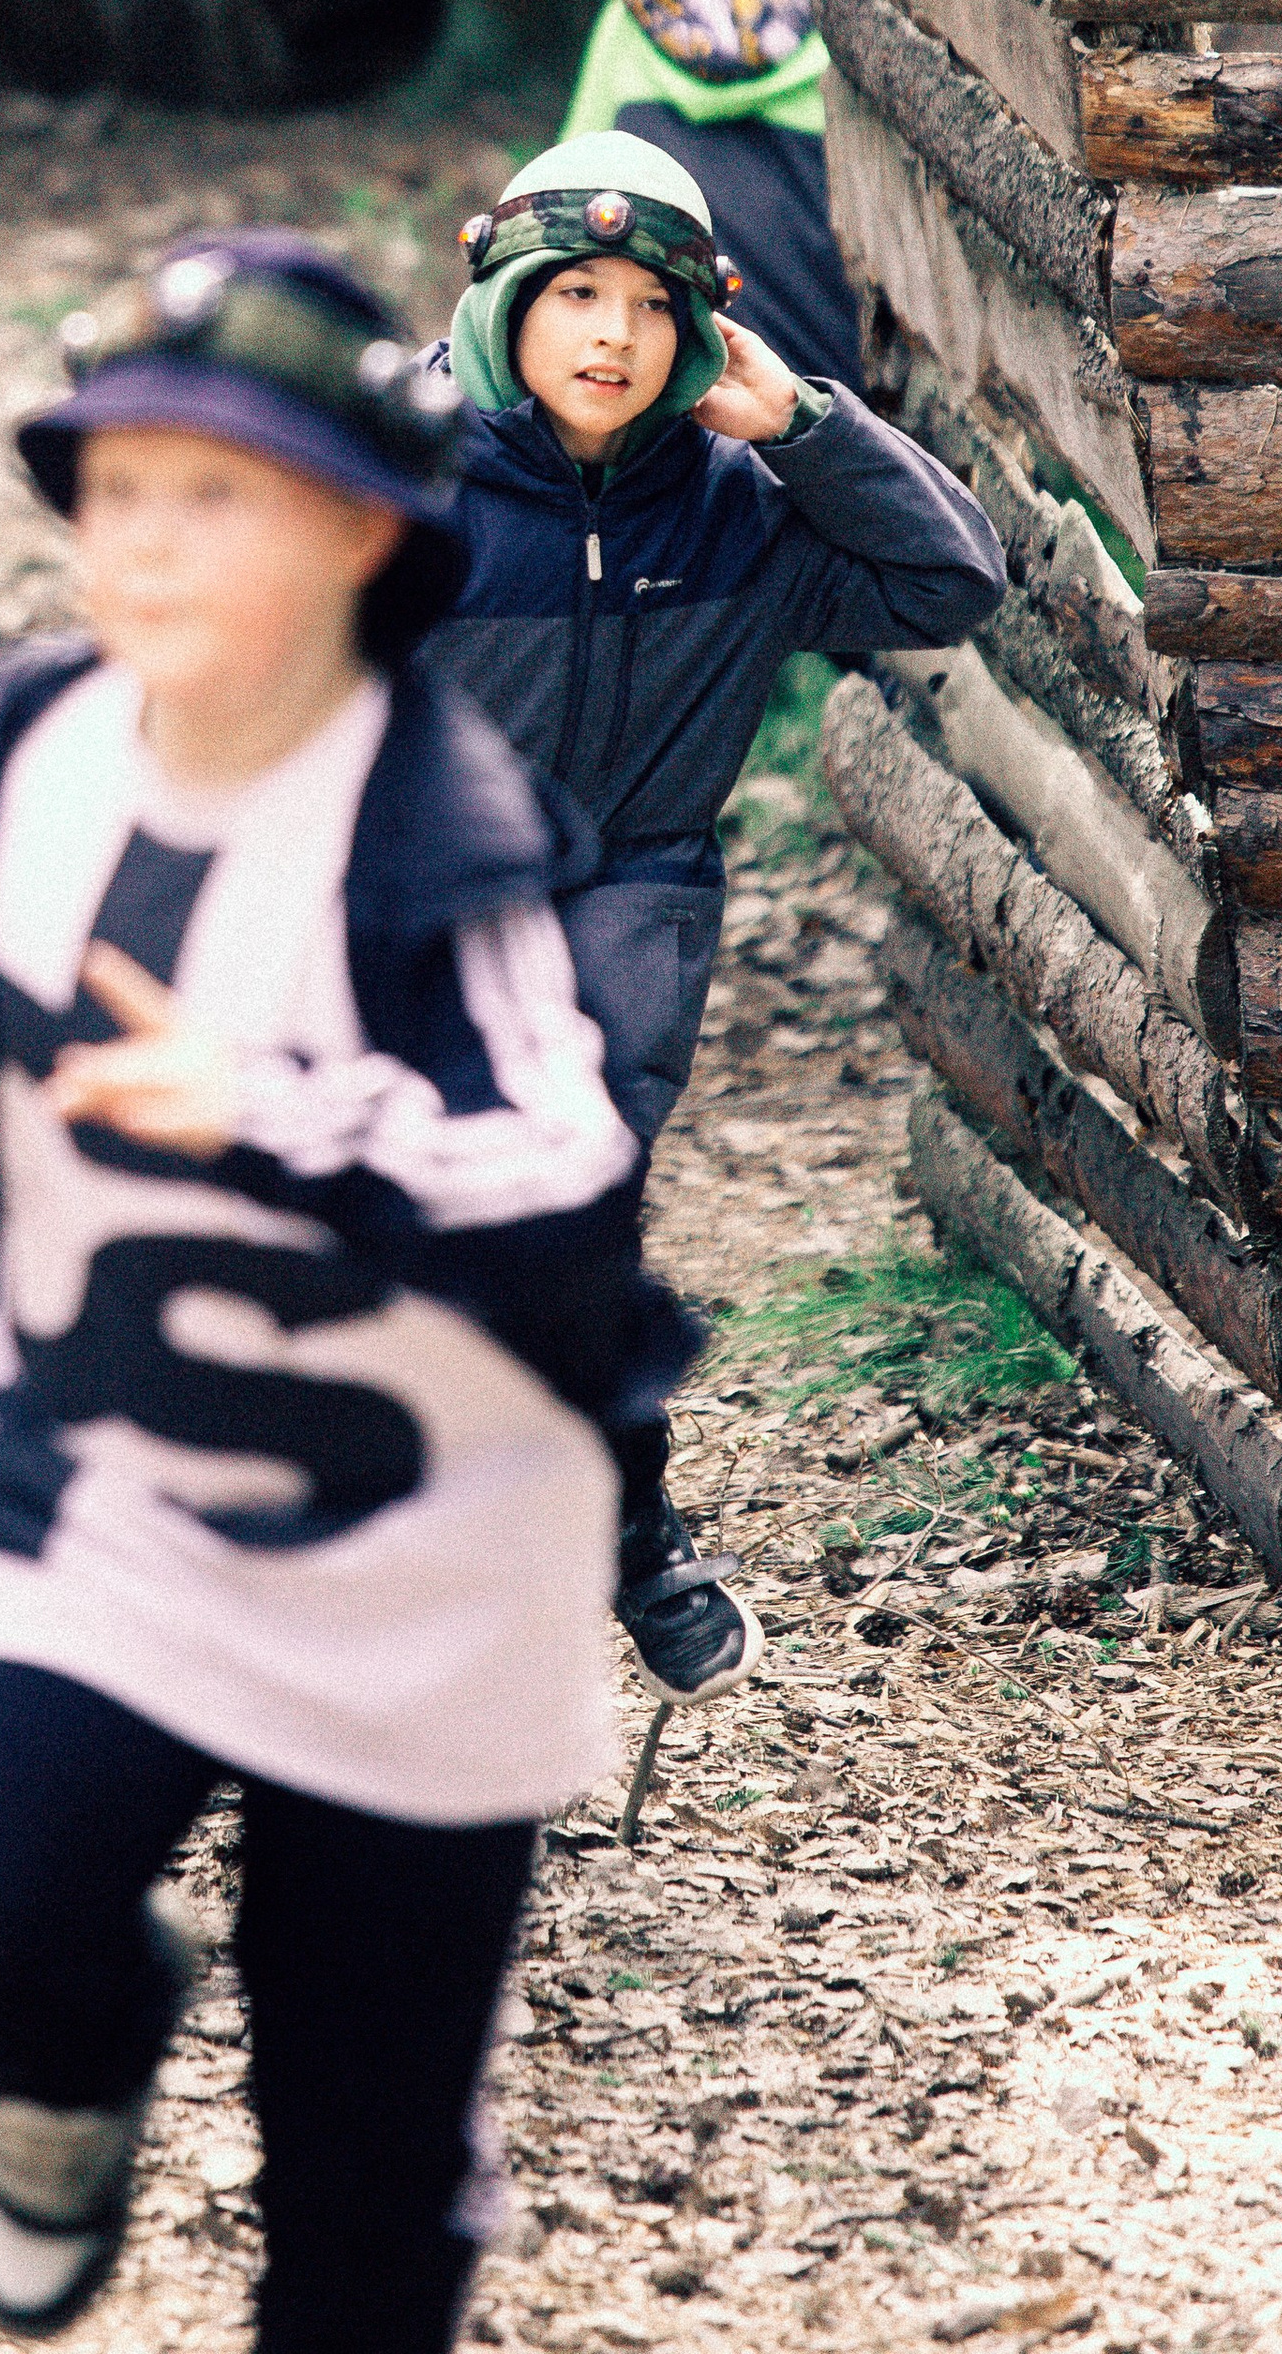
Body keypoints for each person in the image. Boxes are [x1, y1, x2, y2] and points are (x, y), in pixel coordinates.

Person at [0, 231, 690, 2349]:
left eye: (218, 495)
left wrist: (283, 1109)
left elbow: (563, 1160)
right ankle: (74, 2066)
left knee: (363, 2211)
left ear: (364, 534)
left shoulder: (436, 817)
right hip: (90, 1484)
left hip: (423, 1566)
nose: (148, 544)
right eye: (115, 491)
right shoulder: (26, 729)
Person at [419, 128, 1004, 1703]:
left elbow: (952, 581)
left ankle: (617, 1536)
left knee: (563, 1222)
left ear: (703, 335)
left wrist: (808, 425)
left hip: (632, 904)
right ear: (503, 305)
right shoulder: (408, 480)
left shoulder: (739, 509)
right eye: (576, 295)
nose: (612, 336)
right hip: (417, 919)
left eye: (653, 308)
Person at [561, 0, 863, 389]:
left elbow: (561, 203)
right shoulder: (849, 31)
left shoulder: (631, 15)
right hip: (819, 402)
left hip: (653, 392)